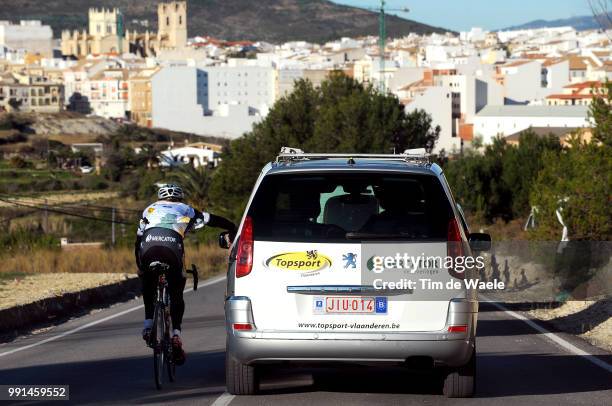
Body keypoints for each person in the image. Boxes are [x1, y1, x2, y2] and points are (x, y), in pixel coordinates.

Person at [135, 184, 236, 365]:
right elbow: (212, 220)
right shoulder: (186, 209)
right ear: (179, 198)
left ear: (160, 198)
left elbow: (137, 240)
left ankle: (148, 325)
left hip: (147, 246)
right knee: (176, 291)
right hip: (172, 248)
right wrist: (232, 227)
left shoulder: (149, 209)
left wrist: (140, 266)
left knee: (148, 283)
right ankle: (176, 334)